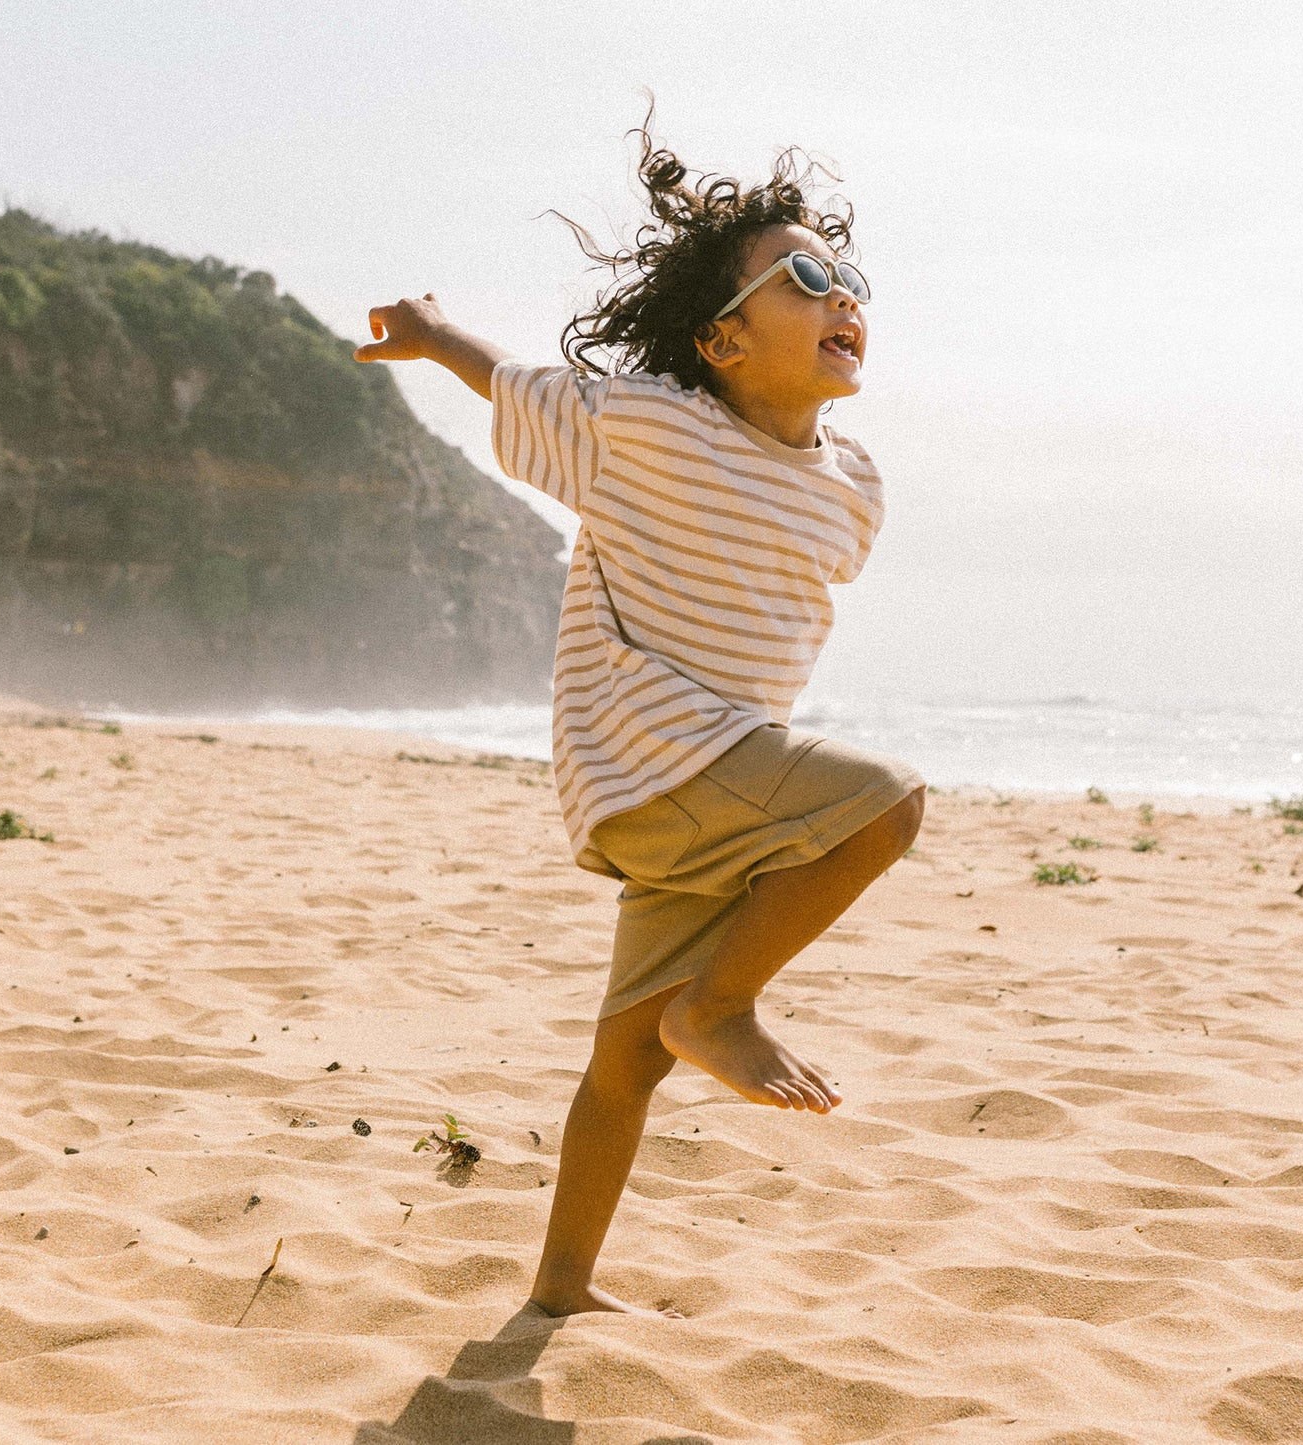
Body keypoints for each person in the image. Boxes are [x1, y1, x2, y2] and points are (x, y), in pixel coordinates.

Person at [355, 120, 927, 1319]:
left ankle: (560, 1287)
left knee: (623, 1062)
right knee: (886, 803)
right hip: (651, 745)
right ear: (721, 339)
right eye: (806, 279)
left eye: (849, 281)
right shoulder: (647, 428)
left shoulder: (853, 485)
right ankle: (718, 1005)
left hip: (704, 788)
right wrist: (425, 334)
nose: (843, 299)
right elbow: (511, 383)